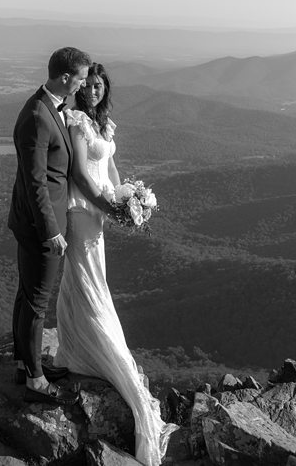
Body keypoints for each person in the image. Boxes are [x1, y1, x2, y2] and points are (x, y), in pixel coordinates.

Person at [54, 63, 178, 466]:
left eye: (98, 85)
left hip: (100, 216)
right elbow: (79, 174)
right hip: (81, 212)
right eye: (87, 84)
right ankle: (89, 349)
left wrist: (127, 201)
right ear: (79, 88)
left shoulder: (105, 125)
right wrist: (109, 205)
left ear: (106, 89)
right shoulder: (74, 120)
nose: (92, 89)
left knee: (93, 281)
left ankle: (76, 344)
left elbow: (109, 170)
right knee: (85, 281)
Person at [8, 46, 114, 404]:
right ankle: (35, 380)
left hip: (38, 220)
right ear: (66, 77)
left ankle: (26, 363)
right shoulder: (39, 114)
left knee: (27, 295)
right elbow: (35, 181)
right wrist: (51, 231)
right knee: (37, 301)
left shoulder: (52, 108)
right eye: (82, 78)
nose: (84, 85)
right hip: (42, 224)